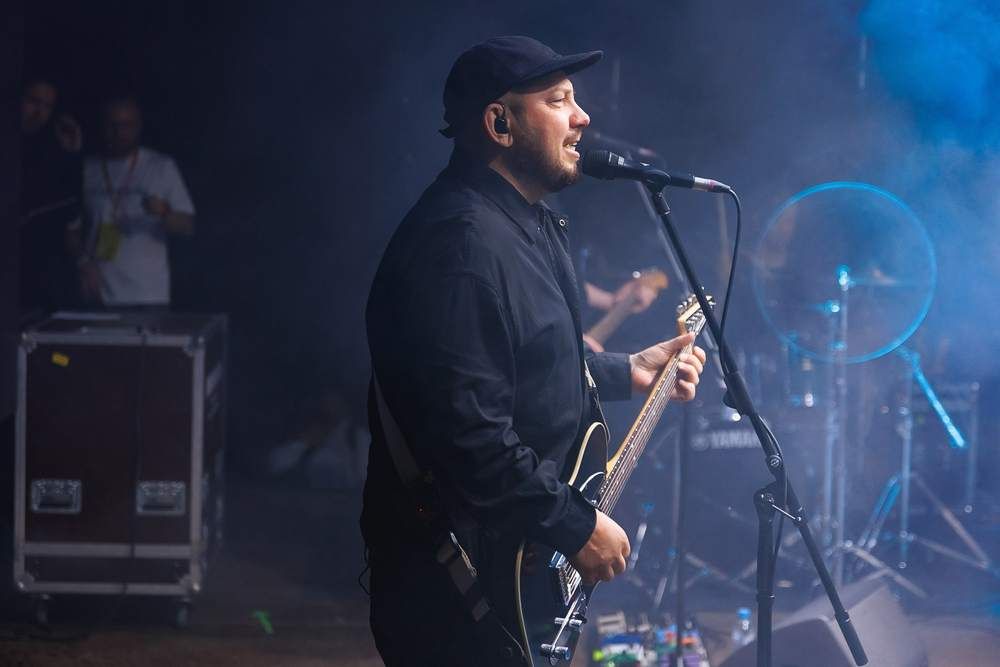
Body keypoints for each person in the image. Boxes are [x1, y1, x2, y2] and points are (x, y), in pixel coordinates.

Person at [362, 36, 706, 665]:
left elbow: (523, 363)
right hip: (460, 588)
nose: (583, 118)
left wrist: (626, 371)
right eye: (558, 100)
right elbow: (470, 437)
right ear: (500, 123)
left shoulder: (529, 224)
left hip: (510, 569)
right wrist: (575, 525)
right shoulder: (461, 247)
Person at [69, 95, 195, 309]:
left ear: (139, 126)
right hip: (97, 294)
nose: (119, 132)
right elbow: (70, 228)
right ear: (102, 126)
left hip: (147, 295)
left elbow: (188, 226)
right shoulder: (87, 168)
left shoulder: (161, 166)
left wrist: (164, 213)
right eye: (112, 125)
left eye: (127, 125)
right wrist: (82, 263)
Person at [19, 77, 83, 317]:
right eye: (33, 101)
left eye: (47, 106)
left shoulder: (50, 151)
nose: (39, 113)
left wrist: (71, 154)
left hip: (32, 281)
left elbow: (69, 209)